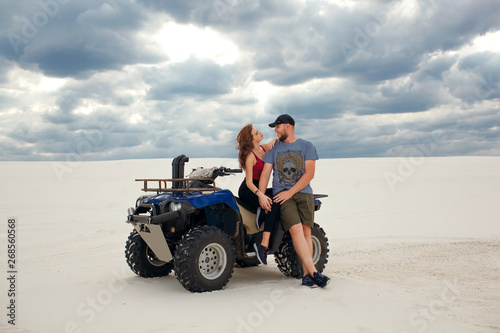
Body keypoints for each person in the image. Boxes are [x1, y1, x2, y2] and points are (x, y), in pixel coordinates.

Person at [258, 114, 330, 288]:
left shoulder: (307, 146)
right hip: (282, 195)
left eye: (277, 126)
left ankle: (306, 276)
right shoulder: (273, 148)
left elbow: (309, 174)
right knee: (296, 230)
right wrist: (261, 194)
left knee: (307, 232)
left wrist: (291, 192)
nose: (275, 130)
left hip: (303, 193)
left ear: (288, 126)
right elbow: (266, 174)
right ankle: (314, 273)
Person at [236, 124, 280, 265]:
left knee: (278, 195)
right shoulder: (250, 156)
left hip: (259, 188)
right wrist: (260, 195)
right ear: (251, 139)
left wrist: (274, 140)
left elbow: (273, 143)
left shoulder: (261, 148)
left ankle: (262, 213)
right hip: (249, 190)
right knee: (271, 204)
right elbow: (249, 182)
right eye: (256, 133)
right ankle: (262, 245)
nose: (260, 133)